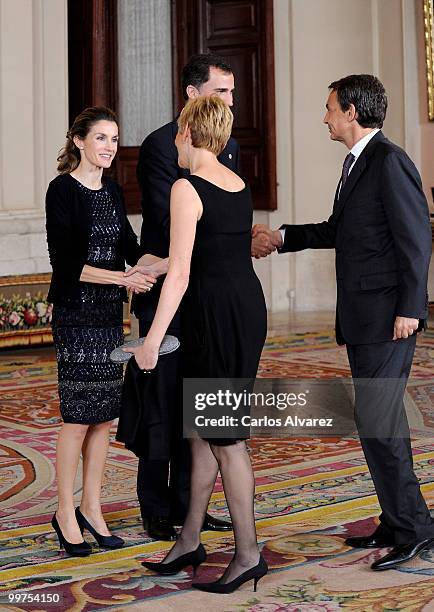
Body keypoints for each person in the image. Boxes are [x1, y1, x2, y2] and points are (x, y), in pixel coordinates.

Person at [253, 74, 434, 571]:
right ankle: (397, 518)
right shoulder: (357, 164)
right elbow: (340, 230)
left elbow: (416, 242)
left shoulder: (389, 161)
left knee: (383, 422)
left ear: (352, 111)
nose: (325, 116)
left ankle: (415, 528)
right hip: (363, 316)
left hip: (386, 319)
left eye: (330, 107)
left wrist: (410, 309)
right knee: (373, 423)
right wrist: (283, 237)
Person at [126, 96, 268, 593]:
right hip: (240, 309)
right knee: (200, 431)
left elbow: (185, 269)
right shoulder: (236, 181)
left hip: (216, 317)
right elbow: (210, 250)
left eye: (178, 135)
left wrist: (152, 341)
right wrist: (153, 265)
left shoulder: (187, 186)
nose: (175, 144)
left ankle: (249, 554)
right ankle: (190, 539)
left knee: (226, 438)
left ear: (188, 132)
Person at [132, 53, 240, 540]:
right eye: (222, 91)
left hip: (207, 301)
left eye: (232, 92)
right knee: (162, 401)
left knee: (200, 407)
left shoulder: (227, 145)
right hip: (168, 290)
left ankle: (190, 507)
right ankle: (157, 508)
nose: (230, 101)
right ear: (193, 95)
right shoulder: (161, 146)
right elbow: (169, 219)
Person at [46, 106, 158, 556]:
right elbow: (68, 265)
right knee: (76, 419)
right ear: (78, 141)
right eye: (101, 138)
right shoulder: (62, 191)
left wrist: (175, 260)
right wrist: (123, 279)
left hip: (108, 318)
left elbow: (132, 250)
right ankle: (64, 512)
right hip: (76, 317)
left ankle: (92, 508)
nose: (109, 147)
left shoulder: (111, 191)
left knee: (104, 418)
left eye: (114, 139)